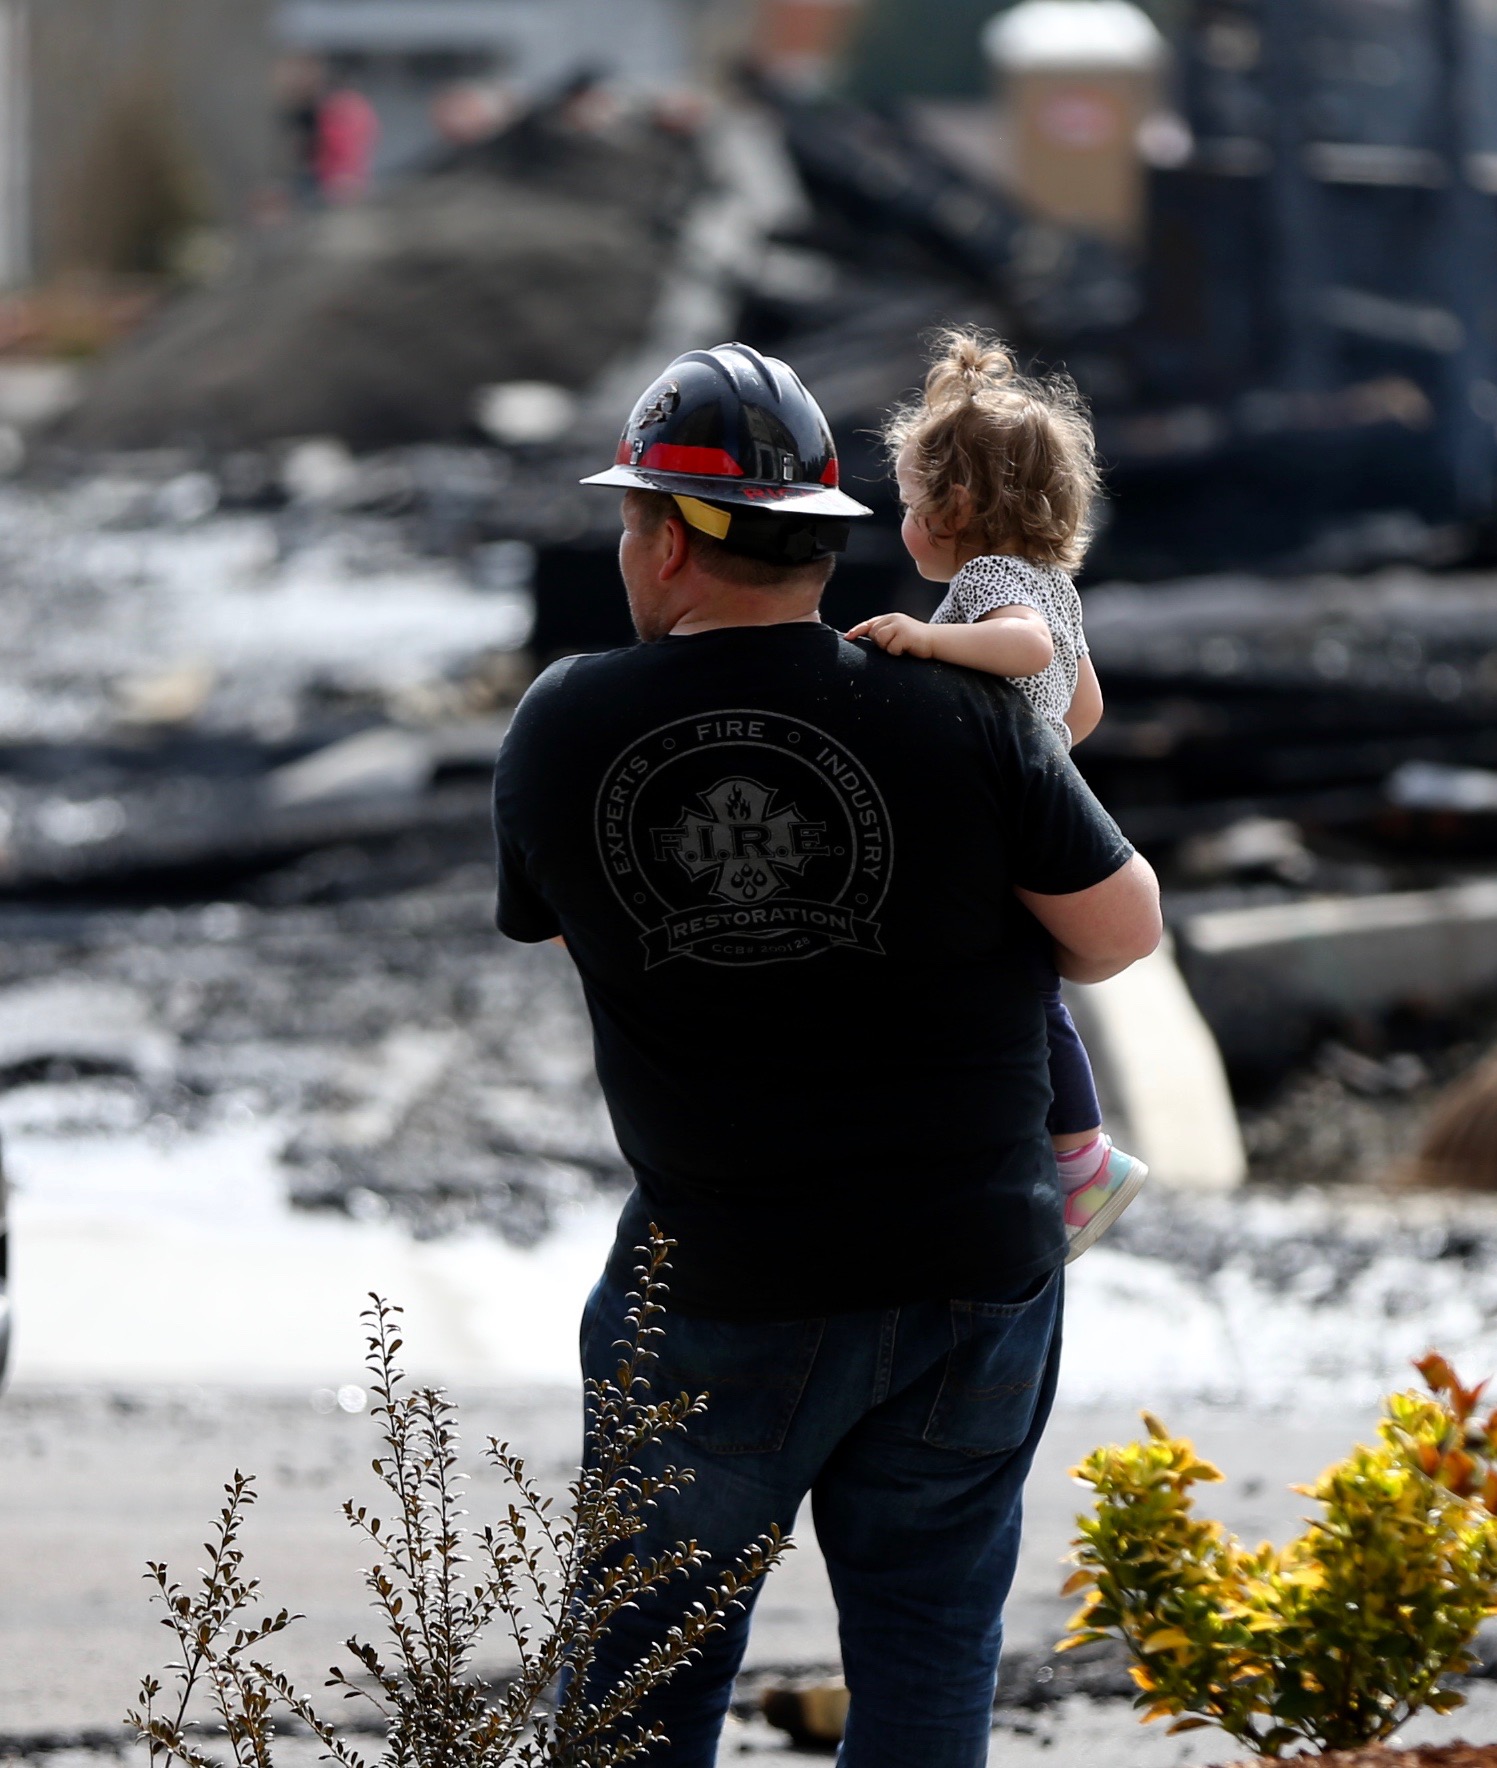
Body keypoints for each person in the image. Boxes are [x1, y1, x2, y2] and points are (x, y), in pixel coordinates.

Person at [492, 342, 1161, 1768]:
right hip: (969, 1274)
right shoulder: (963, 710)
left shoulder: (564, 726)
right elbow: (1119, 935)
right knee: (925, 1674)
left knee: (641, 1695)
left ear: (669, 541)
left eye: (629, 525)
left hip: (721, 1282)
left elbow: (568, 937)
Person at [843, 328, 1145, 1260]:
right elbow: (1083, 699)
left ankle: (1084, 1159)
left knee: (1022, 993)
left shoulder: (992, 584)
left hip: (994, 826)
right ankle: (1073, 1151)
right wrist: (1044, 744)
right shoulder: (1058, 583)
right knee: (1030, 987)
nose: (900, 522)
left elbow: (1029, 652)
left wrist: (929, 643)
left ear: (957, 503)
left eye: (905, 503)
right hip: (1031, 804)